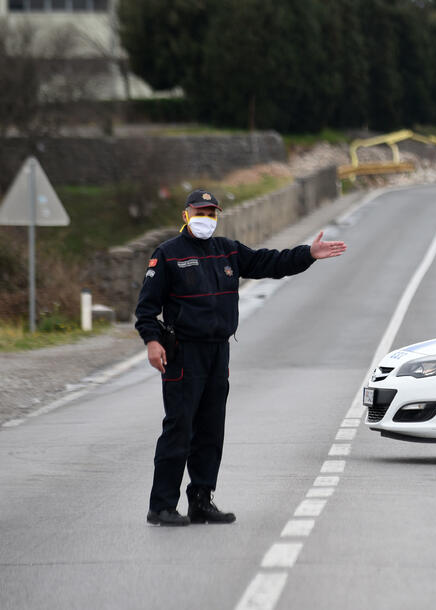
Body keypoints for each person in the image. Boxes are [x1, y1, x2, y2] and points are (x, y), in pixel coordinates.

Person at [135, 189, 347, 526]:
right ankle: (161, 506)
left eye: (211, 213)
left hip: (218, 351)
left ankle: (201, 500)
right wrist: (152, 342)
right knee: (179, 428)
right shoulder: (167, 255)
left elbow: (270, 262)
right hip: (183, 353)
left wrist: (308, 253)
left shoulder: (228, 251)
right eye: (200, 212)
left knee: (210, 431)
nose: (206, 218)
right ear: (186, 214)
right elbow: (146, 308)